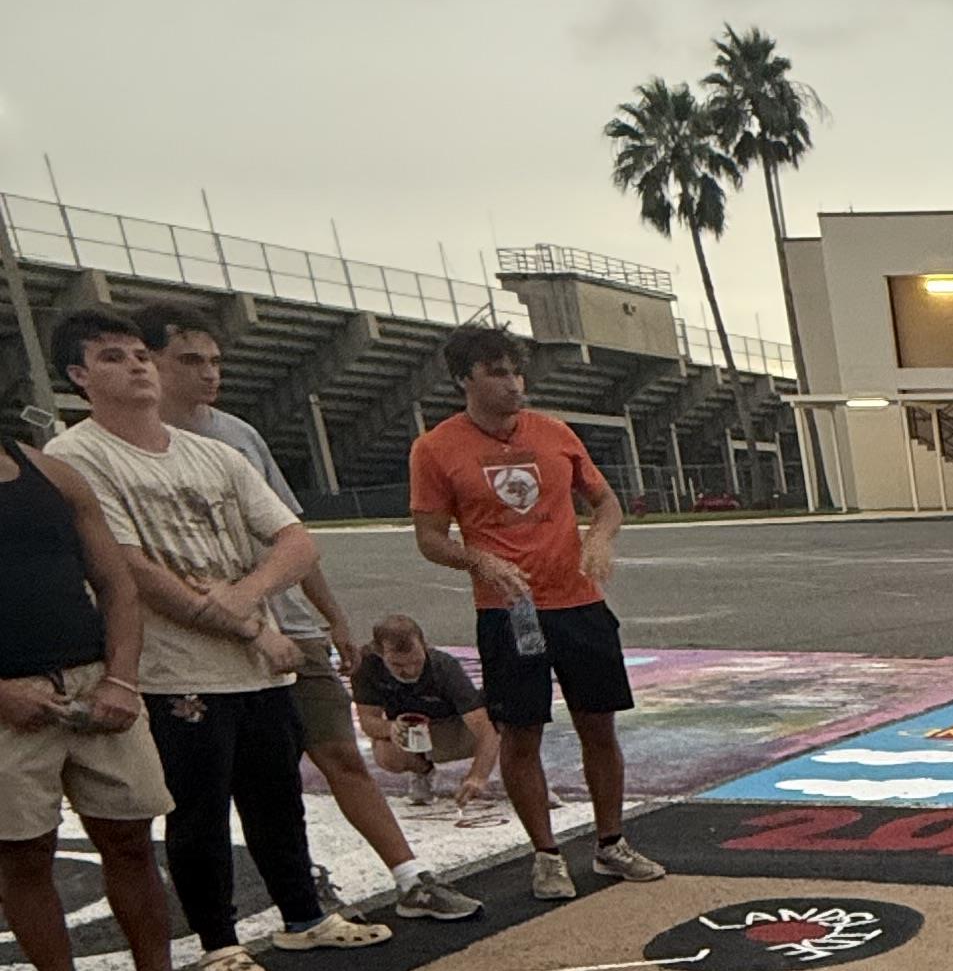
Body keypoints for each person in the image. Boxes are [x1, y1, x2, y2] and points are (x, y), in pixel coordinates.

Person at [48, 306, 390, 971]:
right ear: (79, 376)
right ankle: (217, 940)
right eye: (112, 357)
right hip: (175, 670)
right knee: (198, 811)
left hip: (259, 668)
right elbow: (130, 569)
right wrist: (247, 622)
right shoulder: (75, 457)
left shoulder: (217, 454)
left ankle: (303, 916)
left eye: (140, 354)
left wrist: (242, 597)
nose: (136, 365)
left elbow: (296, 540)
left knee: (277, 798)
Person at [142, 307, 480, 924]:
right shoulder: (126, 452)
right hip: (207, 643)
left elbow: (291, 534)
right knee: (231, 783)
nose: (209, 374)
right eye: (190, 361)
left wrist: (333, 618)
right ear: (150, 362)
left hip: (291, 628)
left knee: (339, 755)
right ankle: (262, 905)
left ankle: (410, 877)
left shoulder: (239, 435)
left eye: (216, 361)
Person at [0, 416, 240, 971]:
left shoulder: (49, 472)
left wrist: (121, 679)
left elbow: (116, 585)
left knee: (131, 842)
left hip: (90, 682)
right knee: (23, 858)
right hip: (6, 704)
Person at [409, 326, 658, 902]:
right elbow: (428, 537)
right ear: (464, 379)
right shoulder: (437, 448)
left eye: (517, 372)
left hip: (579, 602)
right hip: (509, 610)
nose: (513, 385)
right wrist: (478, 561)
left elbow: (606, 500)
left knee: (600, 722)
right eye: (497, 373)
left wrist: (601, 538)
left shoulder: (554, 433)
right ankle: (545, 854)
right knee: (522, 731)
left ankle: (610, 842)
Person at [352, 614, 498, 802]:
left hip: (455, 727)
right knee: (386, 753)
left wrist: (478, 775)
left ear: (425, 646)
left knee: (501, 719)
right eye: (398, 665)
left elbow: (485, 728)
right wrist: (391, 728)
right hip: (412, 728)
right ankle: (423, 771)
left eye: (416, 661)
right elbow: (367, 721)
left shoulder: (443, 667)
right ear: (379, 653)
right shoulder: (367, 666)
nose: (410, 670)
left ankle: (514, 767)